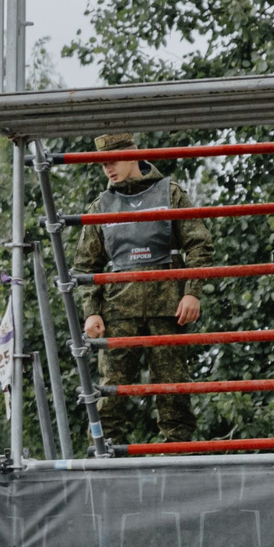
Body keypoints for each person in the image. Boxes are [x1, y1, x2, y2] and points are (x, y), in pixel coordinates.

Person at [75, 133, 213, 448]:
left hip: (169, 311)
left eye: (113, 160)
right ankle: (105, 468)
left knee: (173, 390)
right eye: (101, 163)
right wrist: (91, 312)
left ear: (134, 154)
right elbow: (85, 266)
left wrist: (192, 292)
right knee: (110, 394)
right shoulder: (100, 206)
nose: (107, 168)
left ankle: (178, 465)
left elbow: (199, 243)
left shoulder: (171, 193)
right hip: (118, 313)